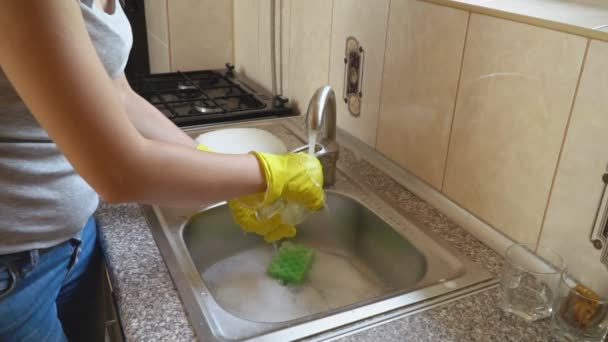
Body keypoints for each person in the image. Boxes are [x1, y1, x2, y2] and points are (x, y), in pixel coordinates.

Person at [0, 1, 323, 341]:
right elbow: (118, 172)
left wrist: (212, 167)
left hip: (74, 242)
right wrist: (268, 174)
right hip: (12, 269)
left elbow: (119, 96)